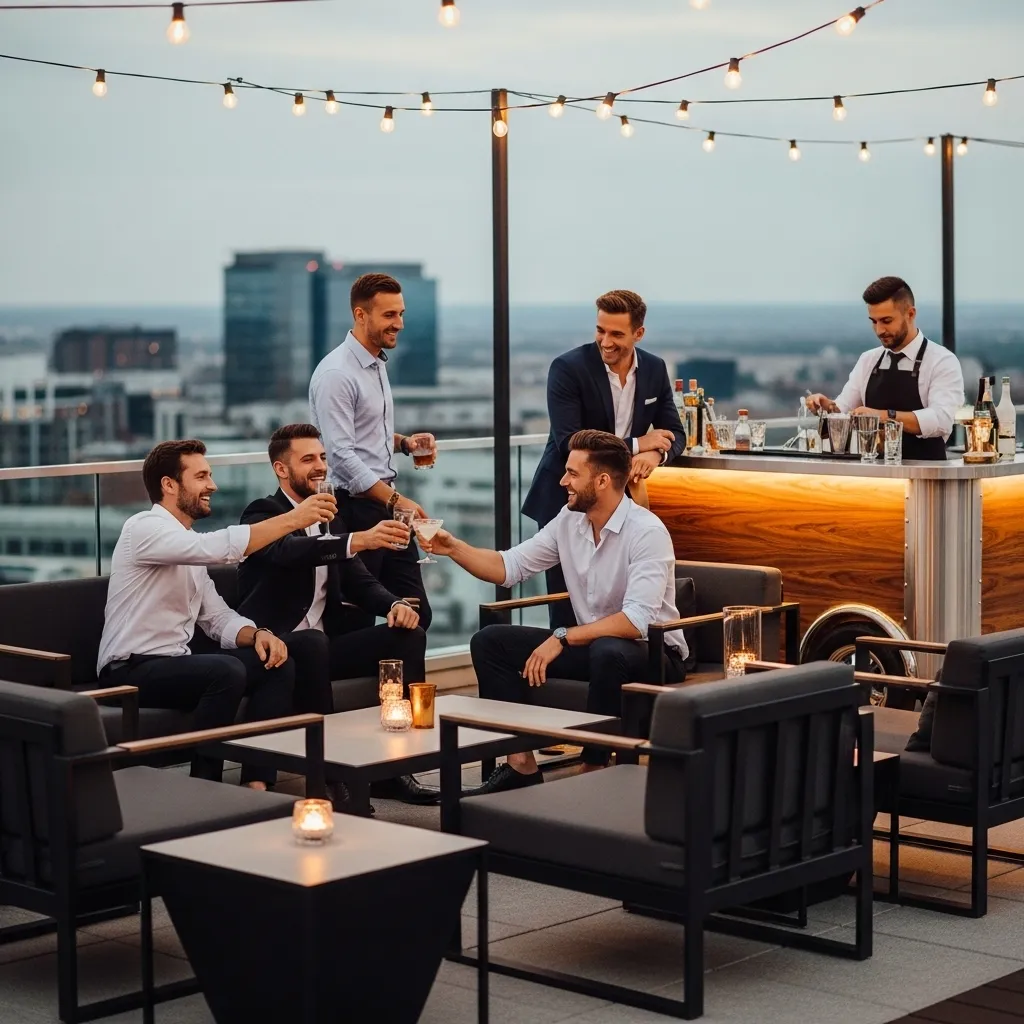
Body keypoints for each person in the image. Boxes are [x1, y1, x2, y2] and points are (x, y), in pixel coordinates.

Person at [422, 429, 688, 795]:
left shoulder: (646, 532)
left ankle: (595, 764)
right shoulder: (569, 521)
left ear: (603, 480)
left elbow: (636, 621)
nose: (562, 481)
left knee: (608, 650)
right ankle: (520, 764)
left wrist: (561, 637)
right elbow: (509, 567)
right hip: (595, 647)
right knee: (490, 642)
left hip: (655, 653)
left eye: (572, 474)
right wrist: (454, 548)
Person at [97, 439, 336, 788]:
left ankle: (258, 783)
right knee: (225, 670)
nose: (213, 485)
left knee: (276, 660)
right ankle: (203, 785)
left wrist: (258, 635)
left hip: (175, 665)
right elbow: (215, 548)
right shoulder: (142, 528)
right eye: (202, 476)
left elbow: (217, 618)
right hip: (128, 670)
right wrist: (293, 519)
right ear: (169, 484)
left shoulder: (186, 545)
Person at [235, 424, 438, 806]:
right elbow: (290, 552)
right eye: (308, 459)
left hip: (324, 647)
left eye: (323, 458)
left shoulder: (331, 517)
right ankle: (330, 778)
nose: (320, 467)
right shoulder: (263, 512)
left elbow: (359, 581)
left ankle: (396, 769)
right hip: (274, 647)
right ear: (281, 469)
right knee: (312, 643)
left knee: (409, 634)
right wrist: (356, 540)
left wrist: (394, 605)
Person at [522, 290, 686, 626]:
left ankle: (611, 666)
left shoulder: (654, 369)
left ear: (638, 334)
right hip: (567, 498)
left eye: (616, 334)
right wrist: (639, 444)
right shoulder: (568, 368)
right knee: (567, 609)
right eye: (600, 330)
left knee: (617, 603)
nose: (605, 342)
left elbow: (676, 434)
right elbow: (571, 442)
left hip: (617, 506)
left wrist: (657, 454)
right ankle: (565, 670)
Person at [309, 272, 435, 631]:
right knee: (357, 616)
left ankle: (395, 684)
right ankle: (373, 685)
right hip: (355, 509)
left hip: (381, 503)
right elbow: (341, 457)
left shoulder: (375, 362)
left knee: (416, 613)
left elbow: (367, 431)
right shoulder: (337, 374)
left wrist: (405, 444)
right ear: (360, 315)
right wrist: (396, 501)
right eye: (389, 315)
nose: (399, 323)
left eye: (401, 314)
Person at [806, 276, 965, 461]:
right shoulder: (868, 360)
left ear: (911, 314)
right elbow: (845, 409)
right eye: (874, 321)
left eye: (886, 321)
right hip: (875, 478)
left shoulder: (942, 361)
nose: (879, 330)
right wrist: (828, 407)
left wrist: (883, 416)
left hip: (925, 477)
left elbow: (940, 420)